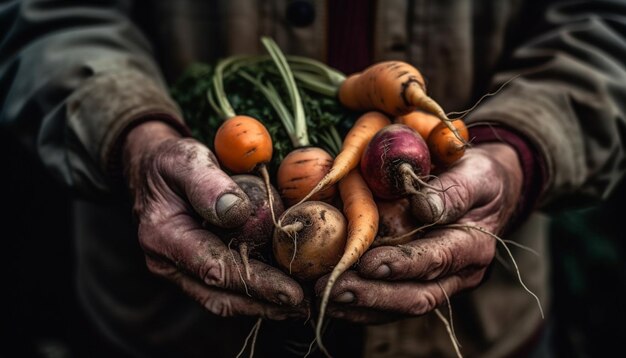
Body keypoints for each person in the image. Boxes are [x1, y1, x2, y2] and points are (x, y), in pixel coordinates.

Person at [1, 0, 625, 357]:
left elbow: (604, 27)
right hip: (169, 334)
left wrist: (516, 156)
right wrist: (134, 141)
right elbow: (53, 14)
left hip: (479, 332)